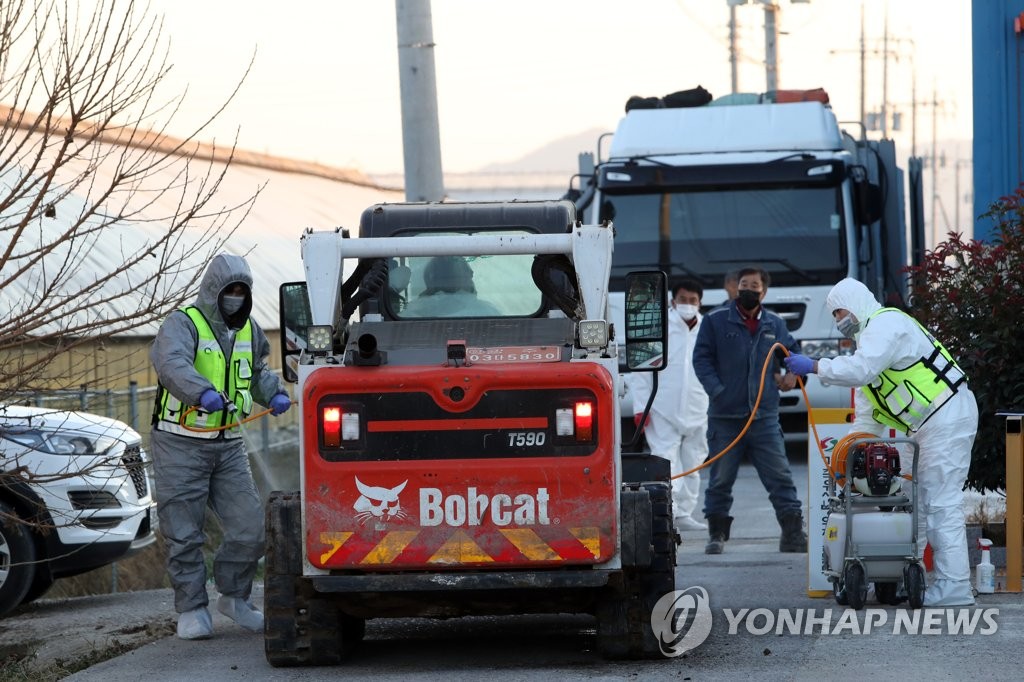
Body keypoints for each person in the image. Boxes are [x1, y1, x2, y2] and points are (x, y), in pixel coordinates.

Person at [783, 277, 978, 606]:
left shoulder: (887, 323)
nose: (839, 322)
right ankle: (903, 573)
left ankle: (955, 586)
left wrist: (815, 366)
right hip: (921, 426)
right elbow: (865, 422)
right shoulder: (869, 350)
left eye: (839, 312)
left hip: (947, 415)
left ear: (856, 302)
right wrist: (846, 465)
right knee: (906, 500)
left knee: (940, 502)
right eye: (834, 317)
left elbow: (861, 370)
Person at [150, 253, 292, 640]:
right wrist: (202, 393)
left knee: (252, 528)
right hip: (179, 443)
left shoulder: (249, 330)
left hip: (228, 445)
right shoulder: (183, 324)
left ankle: (234, 597)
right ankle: (192, 608)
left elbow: (259, 371)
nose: (235, 298)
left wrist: (274, 394)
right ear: (214, 291)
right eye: (229, 291)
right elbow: (172, 364)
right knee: (184, 533)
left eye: (241, 292)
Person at [692, 267, 807, 554]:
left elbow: (793, 357)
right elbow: (701, 359)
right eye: (743, 284)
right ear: (734, 288)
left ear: (763, 292)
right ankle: (716, 535)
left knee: (780, 476)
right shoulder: (715, 321)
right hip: (725, 419)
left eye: (754, 285)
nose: (748, 289)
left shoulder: (775, 325)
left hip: (764, 418)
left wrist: (794, 377)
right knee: (720, 480)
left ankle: (792, 534)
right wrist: (719, 391)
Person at [629, 279, 709, 531]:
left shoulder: (708, 329)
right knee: (665, 460)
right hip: (661, 406)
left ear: (700, 302)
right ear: (672, 301)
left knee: (694, 462)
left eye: (693, 301)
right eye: (683, 300)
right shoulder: (655, 327)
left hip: (699, 406)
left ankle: (685, 513)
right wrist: (640, 407)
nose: (688, 305)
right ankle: (667, 511)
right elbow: (640, 371)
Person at [402, 255, 501, 317]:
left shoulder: (409, 314)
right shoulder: (486, 312)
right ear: (450, 278)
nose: (471, 273)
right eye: (465, 271)